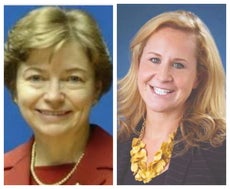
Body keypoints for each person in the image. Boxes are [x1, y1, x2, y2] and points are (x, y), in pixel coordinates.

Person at [4, 6, 113, 185]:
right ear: (14, 87)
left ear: (96, 89)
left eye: (73, 79)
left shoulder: (128, 169)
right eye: (36, 77)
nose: (53, 96)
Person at [117, 10, 226, 185]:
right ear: (138, 63)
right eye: (154, 60)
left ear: (198, 78)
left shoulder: (220, 151)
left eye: (178, 65)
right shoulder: (116, 144)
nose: (162, 76)